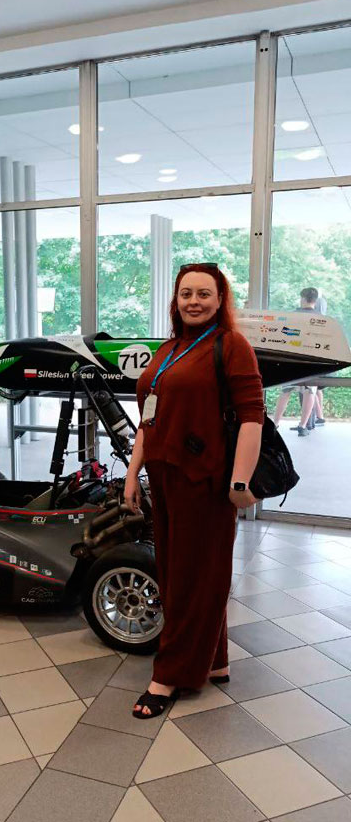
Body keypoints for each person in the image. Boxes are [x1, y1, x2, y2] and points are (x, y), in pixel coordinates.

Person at [124, 263, 264, 718]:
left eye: (204, 293)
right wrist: (133, 473)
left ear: (220, 300)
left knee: (192, 578)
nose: (194, 302)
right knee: (182, 573)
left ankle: (169, 675)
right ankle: (214, 660)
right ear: (176, 299)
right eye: (186, 293)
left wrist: (240, 482)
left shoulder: (231, 345)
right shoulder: (169, 349)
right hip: (165, 478)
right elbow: (148, 417)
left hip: (204, 481)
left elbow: (252, 416)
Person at [273, 286, 322, 436]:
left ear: (302, 298)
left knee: (286, 390)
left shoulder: (293, 316)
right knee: (310, 391)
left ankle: (275, 423)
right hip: (312, 359)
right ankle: (302, 426)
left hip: (293, 358)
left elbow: (285, 333)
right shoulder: (321, 318)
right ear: (315, 300)